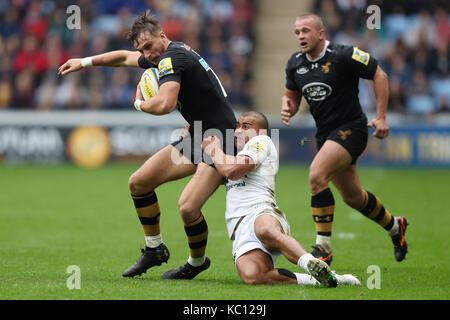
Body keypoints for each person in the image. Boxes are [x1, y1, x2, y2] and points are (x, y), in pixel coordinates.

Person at [58, 11, 236, 279]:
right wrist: (83, 62)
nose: (147, 54)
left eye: (149, 46)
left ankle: (196, 263)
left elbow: (164, 105)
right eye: (142, 49)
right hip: (199, 135)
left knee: (188, 207)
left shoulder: (171, 58)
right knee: (139, 183)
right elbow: (123, 57)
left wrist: (139, 103)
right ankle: (155, 249)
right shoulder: (168, 54)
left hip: (220, 139)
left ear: (162, 35)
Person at [281, 13, 408, 265]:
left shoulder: (344, 54)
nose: (300, 36)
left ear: (321, 34)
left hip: (352, 129)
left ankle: (323, 248)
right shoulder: (295, 63)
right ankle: (396, 227)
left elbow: (379, 74)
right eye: (297, 32)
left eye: (306, 31)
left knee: (316, 176)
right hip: (325, 134)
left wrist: (381, 116)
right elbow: (292, 96)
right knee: (353, 197)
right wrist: (289, 107)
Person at [201, 111, 360, 287]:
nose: (238, 130)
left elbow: (232, 171)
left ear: (261, 131)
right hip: (239, 227)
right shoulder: (230, 156)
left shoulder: (261, 141)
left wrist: (213, 149)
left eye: (246, 126)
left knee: (265, 231)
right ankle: (323, 279)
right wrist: (191, 137)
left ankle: (311, 263)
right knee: (254, 276)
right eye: (237, 126)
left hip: (260, 211)